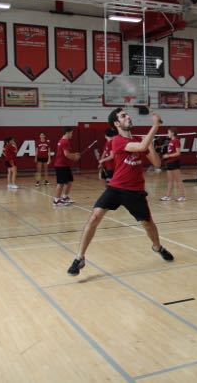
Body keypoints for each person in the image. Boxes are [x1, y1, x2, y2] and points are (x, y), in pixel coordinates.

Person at [67, 108, 174, 276]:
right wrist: (155, 126)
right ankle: (79, 258)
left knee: (147, 224)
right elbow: (141, 146)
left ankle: (157, 247)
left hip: (135, 191)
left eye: (128, 114)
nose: (128, 117)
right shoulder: (116, 141)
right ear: (117, 123)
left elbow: (157, 163)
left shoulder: (140, 141)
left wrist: (149, 143)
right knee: (94, 217)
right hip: (116, 187)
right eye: (123, 116)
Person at [53, 127, 80, 206]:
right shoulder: (65, 142)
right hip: (61, 165)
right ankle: (56, 200)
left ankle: (64, 197)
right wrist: (75, 157)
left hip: (65, 165)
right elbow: (66, 154)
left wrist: (74, 154)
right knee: (60, 183)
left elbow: (66, 153)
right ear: (67, 133)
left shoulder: (61, 141)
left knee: (69, 181)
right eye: (71, 133)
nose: (72, 134)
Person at [160, 127, 186, 202]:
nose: (167, 134)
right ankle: (168, 196)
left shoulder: (176, 141)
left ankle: (182, 196)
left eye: (168, 132)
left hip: (174, 162)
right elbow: (171, 152)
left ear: (172, 133)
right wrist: (166, 156)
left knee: (178, 180)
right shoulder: (170, 141)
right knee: (170, 180)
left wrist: (168, 155)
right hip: (169, 162)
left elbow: (178, 153)